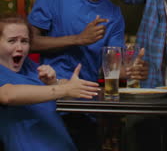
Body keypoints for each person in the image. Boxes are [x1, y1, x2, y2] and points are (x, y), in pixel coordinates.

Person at [28, 0, 148, 151]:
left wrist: (130, 70)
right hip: (49, 102)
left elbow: (110, 67)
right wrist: (78, 39)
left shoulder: (113, 13)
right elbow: (31, 42)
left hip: (87, 107)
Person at [0, 14, 100, 151]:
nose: (20, 48)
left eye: (24, 41)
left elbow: (69, 89)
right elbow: (8, 95)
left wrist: (54, 82)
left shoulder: (27, 65)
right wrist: (64, 89)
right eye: (12, 41)